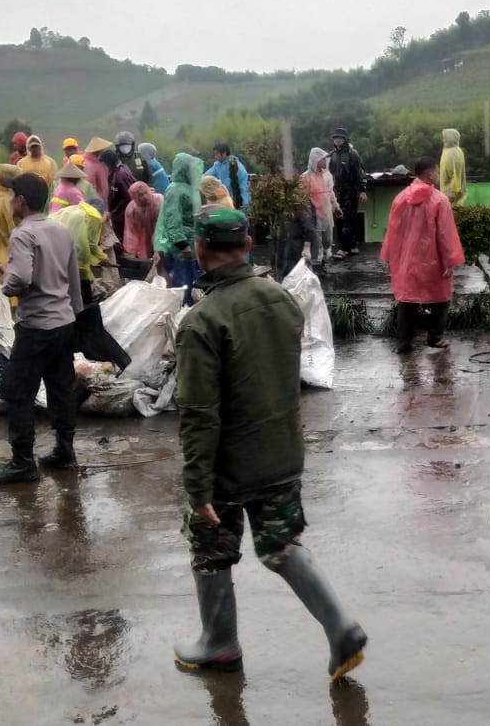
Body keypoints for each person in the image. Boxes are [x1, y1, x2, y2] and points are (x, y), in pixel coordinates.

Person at [172, 208, 368, 680]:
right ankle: (340, 625)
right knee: (281, 542)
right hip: (282, 452)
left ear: (200, 251)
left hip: (227, 465)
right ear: (249, 243)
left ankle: (219, 643)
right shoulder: (282, 299)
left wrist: (197, 486)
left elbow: (200, 415)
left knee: (210, 546)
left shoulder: (201, 322)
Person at [0, 173, 84, 485]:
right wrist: (75, 314)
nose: (10, 202)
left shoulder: (22, 234)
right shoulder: (61, 230)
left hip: (37, 325)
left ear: (22, 201)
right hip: (64, 322)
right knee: (60, 386)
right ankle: (64, 450)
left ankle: (23, 462)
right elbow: (73, 279)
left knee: (17, 391)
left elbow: (21, 278)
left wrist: (5, 282)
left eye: (12, 196)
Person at [379, 159, 464, 354]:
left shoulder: (400, 198)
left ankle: (404, 343)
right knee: (441, 299)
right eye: (435, 171)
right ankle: (434, 337)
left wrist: (391, 258)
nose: (437, 175)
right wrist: (448, 262)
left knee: (407, 301)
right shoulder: (439, 200)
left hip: (406, 261)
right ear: (429, 174)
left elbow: (392, 231)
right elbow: (445, 235)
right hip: (432, 260)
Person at [53, 198, 131, 371]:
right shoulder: (93, 216)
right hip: (77, 277)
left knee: (78, 322)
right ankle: (114, 361)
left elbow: (87, 244)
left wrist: (102, 258)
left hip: (57, 275)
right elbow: (81, 248)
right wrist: (91, 263)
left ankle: (98, 362)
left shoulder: (69, 212)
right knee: (88, 323)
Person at [160, 152, 205, 303]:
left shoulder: (189, 188)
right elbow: (173, 218)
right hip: (183, 249)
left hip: (194, 243)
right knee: (183, 286)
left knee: (195, 283)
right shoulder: (175, 189)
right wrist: (182, 243)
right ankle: (183, 314)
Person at [328, 128, 368, 259]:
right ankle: (350, 245)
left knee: (348, 218)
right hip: (337, 191)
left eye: (340, 137)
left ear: (345, 139)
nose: (337, 139)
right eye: (335, 137)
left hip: (350, 190)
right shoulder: (332, 155)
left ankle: (345, 248)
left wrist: (362, 190)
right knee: (340, 218)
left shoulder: (352, 153)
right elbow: (329, 174)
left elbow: (359, 172)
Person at [303, 148, 336, 265]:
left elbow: (331, 192)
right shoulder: (306, 177)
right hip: (314, 213)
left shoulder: (327, 175)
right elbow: (302, 197)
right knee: (317, 240)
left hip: (327, 212)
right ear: (315, 160)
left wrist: (336, 206)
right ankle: (318, 261)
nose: (325, 161)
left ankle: (327, 255)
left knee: (328, 239)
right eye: (322, 159)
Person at [101, 147, 137, 241]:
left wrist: (113, 213)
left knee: (123, 240)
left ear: (108, 162)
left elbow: (129, 197)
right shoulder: (117, 170)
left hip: (123, 216)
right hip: (118, 215)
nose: (103, 166)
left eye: (104, 163)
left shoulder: (121, 175)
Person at [206, 144, 252, 212]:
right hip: (228, 200)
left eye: (216, 154)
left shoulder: (235, 165)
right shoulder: (218, 165)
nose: (215, 156)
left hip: (241, 200)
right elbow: (207, 175)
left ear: (224, 153)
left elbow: (230, 184)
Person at [123, 181, 161, 261]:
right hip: (144, 241)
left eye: (146, 192)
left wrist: (158, 250)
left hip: (162, 239)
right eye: (140, 195)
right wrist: (131, 251)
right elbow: (131, 233)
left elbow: (160, 228)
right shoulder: (132, 209)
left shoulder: (158, 202)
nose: (145, 197)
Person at [439, 128, 467, 205]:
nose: (443, 140)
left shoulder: (453, 152)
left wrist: (453, 192)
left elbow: (456, 173)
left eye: (444, 138)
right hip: (448, 191)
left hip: (450, 193)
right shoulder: (450, 151)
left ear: (450, 138)